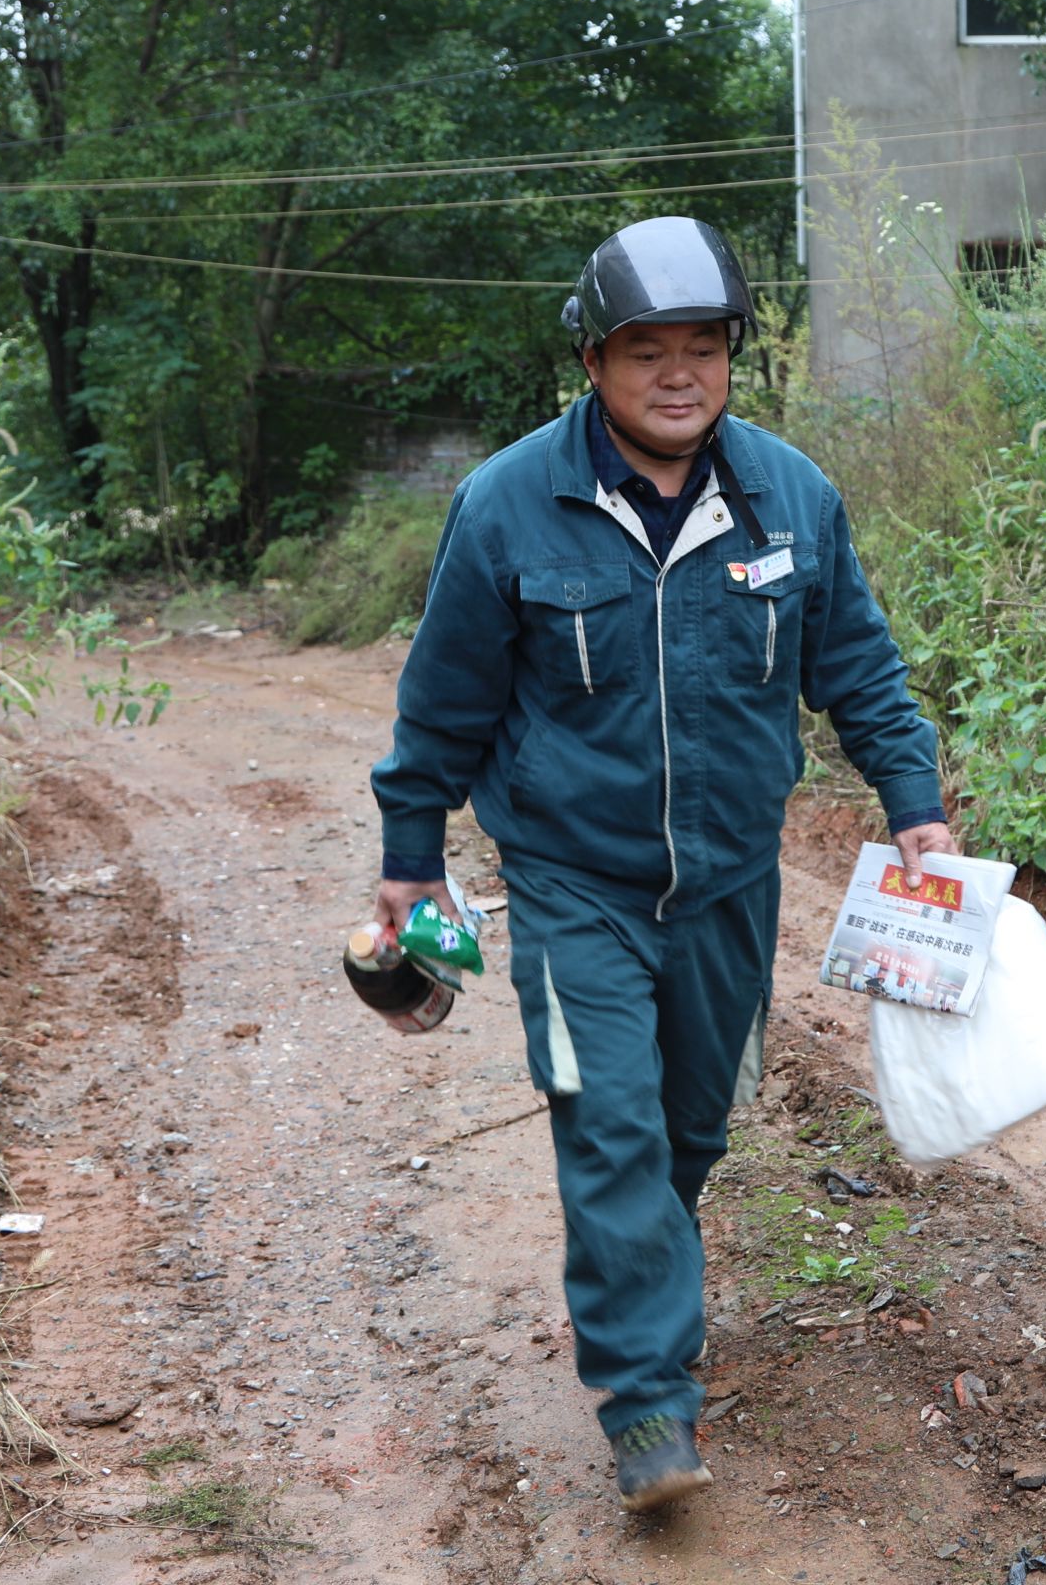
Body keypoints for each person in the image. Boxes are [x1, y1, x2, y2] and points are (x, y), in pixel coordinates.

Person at [368, 216, 953, 1511]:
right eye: (648, 351)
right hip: (577, 887)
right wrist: (412, 855)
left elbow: (856, 663)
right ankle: (647, 1403)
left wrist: (914, 805)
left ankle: (646, 1287)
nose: (679, 374)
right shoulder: (511, 505)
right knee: (612, 1125)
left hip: (733, 887)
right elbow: (445, 702)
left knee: (689, 1128)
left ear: (734, 358)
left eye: (704, 347)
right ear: (593, 359)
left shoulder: (789, 496)